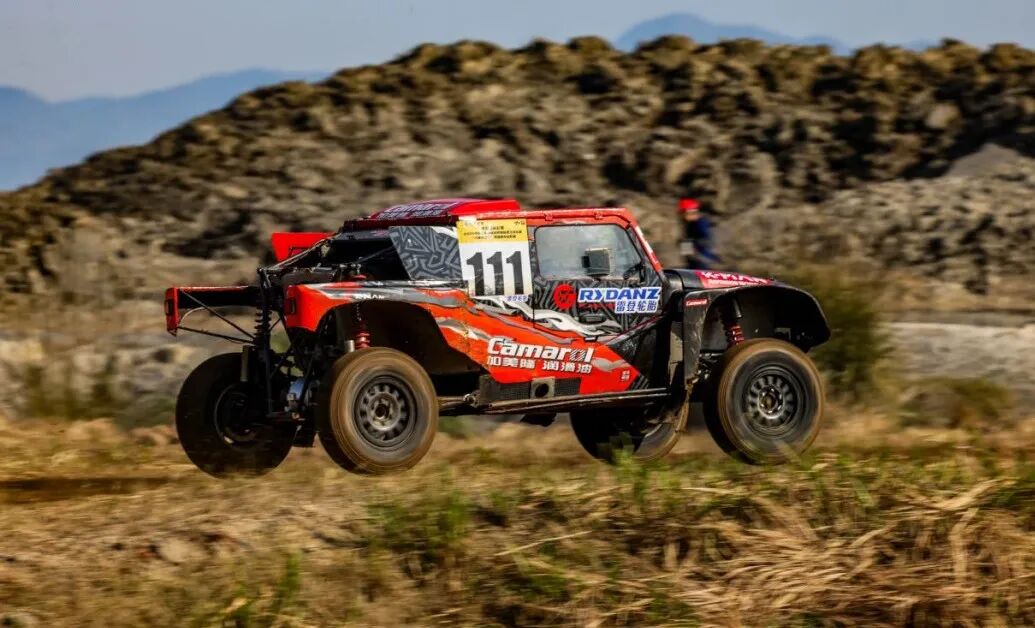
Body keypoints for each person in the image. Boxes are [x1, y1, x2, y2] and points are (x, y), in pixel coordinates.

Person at [678, 198, 720, 269]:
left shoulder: (702, 223)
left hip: (706, 261)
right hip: (696, 261)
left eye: (684, 213)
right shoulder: (689, 225)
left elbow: (707, 241)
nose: (683, 216)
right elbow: (686, 243)